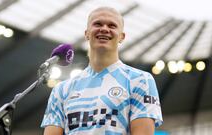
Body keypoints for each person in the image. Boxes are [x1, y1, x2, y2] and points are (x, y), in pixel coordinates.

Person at [41, 7, 163, 135]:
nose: (104, 29)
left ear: (122, 37)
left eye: (112, 25)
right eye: (98, 24)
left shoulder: (140, 80)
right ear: (86, 33)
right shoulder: (61, 89)